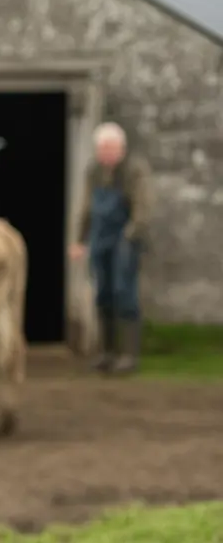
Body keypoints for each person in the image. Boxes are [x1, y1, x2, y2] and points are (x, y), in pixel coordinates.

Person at [68, 121, 152, 375]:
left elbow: (143, 207)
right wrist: (79, 240)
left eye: (110, 149)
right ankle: (107, 353)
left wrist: (130, 236)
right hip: (100, 238)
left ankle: (128, 355)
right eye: (102, 149)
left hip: (125, 239)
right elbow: (86, 207)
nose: (106, 154)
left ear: (121, 148)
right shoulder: (93, 171)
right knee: (102, 294)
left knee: (123, 293)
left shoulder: (134, 170)